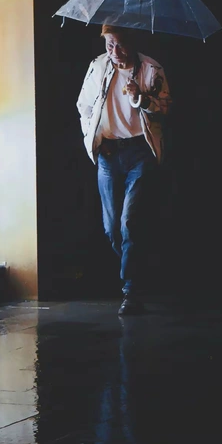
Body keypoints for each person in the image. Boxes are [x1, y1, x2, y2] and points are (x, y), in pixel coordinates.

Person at [77, 24, 171, 315]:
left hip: (139, 153)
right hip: (109, 153)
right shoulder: (99, 67)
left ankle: (130, 291)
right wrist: (96, 138)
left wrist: (141, 97)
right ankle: (139, 273)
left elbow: (165, 107)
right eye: (109, 45)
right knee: (111, 228)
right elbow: (84, 106)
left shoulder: (151, 69)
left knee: (129, 222)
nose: (115, 52)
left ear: (131, 42)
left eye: (120, 45)